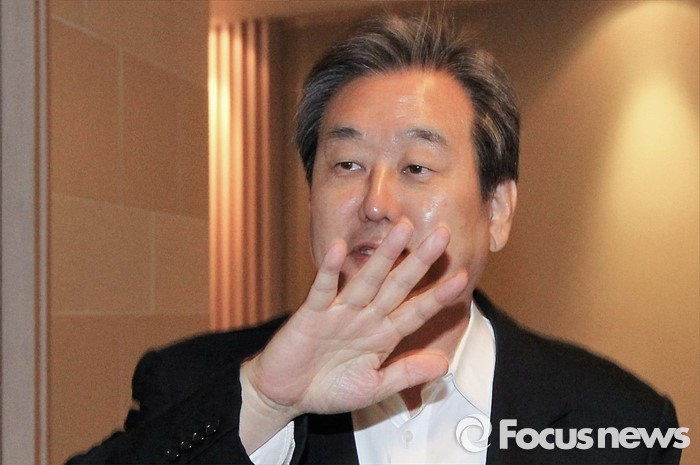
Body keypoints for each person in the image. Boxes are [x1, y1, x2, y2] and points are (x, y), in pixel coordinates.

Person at [68, 13, 682, 465]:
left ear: (497, 210)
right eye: (347, 164)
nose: (376, 203)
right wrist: (263, 405)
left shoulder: (619, 421)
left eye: (416, 166)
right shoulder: (196, 385)